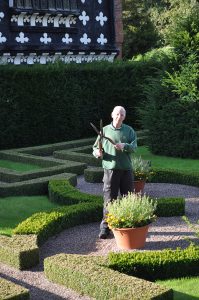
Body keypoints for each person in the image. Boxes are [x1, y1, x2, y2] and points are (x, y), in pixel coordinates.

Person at [93, 106, 137, 239]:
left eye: (122, 115)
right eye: (117, 114)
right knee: (109, 199)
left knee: (127, 199)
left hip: (126, 169)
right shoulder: (104, 130)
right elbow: (95, 148)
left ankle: (126, 225)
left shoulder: (129, 131)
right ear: (112, 114)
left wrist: (125, 146)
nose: (119, 116)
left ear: (124, 117)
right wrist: (98, 153)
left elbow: (134, 147)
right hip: (110, 169)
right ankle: (105, 228)